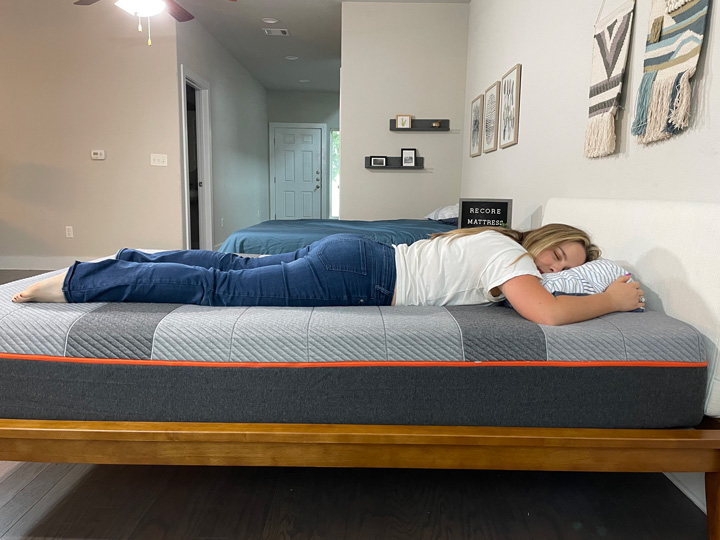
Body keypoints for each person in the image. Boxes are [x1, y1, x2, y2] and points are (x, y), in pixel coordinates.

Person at [10, 224, 645, 326]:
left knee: (232, 263)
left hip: (358, 253)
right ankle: (75, 284)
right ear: (545, 240)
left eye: (567, 268)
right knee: (220, 289)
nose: (554, 270)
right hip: (362, 282)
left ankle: (125, 262)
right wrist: (611, 301)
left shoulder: (487, 238)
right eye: (559, 255)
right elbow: (548, 313)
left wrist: (589, 280)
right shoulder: (510, 259)